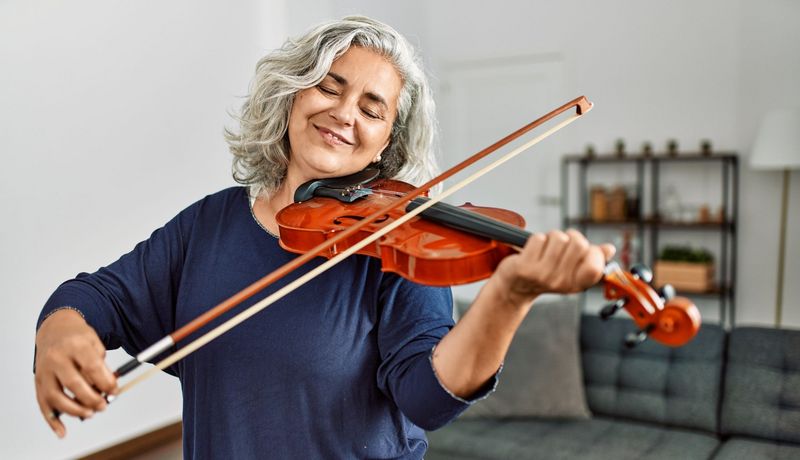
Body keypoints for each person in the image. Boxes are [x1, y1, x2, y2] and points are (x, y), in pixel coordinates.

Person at [34, 16, 614, 459]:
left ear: (386, 143)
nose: (344, 113)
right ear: (292, 94)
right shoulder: (209, 225)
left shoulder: (399, 242)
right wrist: (61, 335)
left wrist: (509, 293)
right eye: (328, 87)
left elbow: (429, 398)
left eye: (372, 108)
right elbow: (96, 297)